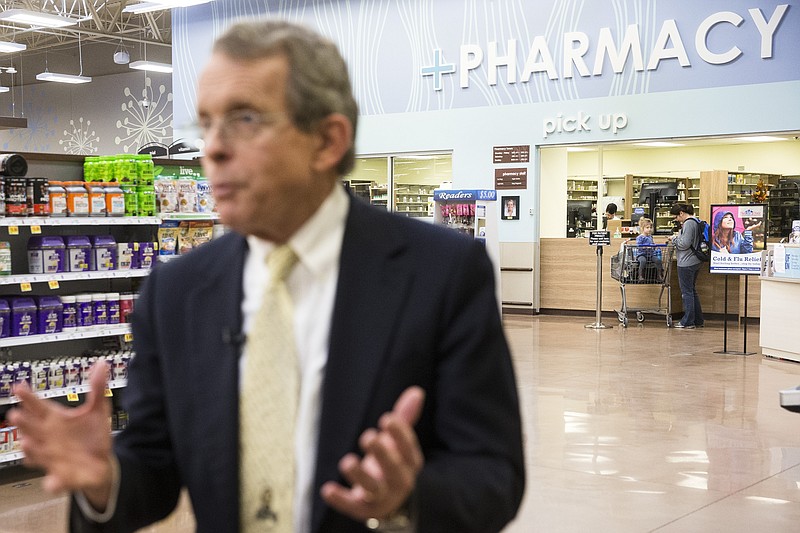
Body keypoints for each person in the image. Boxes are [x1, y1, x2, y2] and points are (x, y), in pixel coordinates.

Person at [7, 20, 524, 533]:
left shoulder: (442, 274)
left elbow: (493, 475)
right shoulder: (176, 292)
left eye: (245, 119)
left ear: (327, 140)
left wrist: (407, 498)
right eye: (205, 124)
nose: (212, 148)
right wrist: (106, 479)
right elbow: (153, 470)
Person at [667, 202, 704, 329]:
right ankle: (698, 319)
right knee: (692, 291)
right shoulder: (696, 221)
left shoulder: (688, 223)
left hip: (686, 262)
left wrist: (674, 239)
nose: (676, 220)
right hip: (695, 261)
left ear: (681, 213)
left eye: (676, 217)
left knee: (686, 292)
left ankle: (688, 321)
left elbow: (684, 244)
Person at [634, 217, 663, 282]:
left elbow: (652, 244)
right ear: (642, 228)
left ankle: (659, 276)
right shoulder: (640, 237)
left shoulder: (650, 237)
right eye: (647, 227)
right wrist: (646, 247)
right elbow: (638, 246)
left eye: (650, 227)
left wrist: (654, 246)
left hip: (651, 255)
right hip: (642, 254)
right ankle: (640, 275)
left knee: (658, 261)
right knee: (643, 261)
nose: (649, 229)